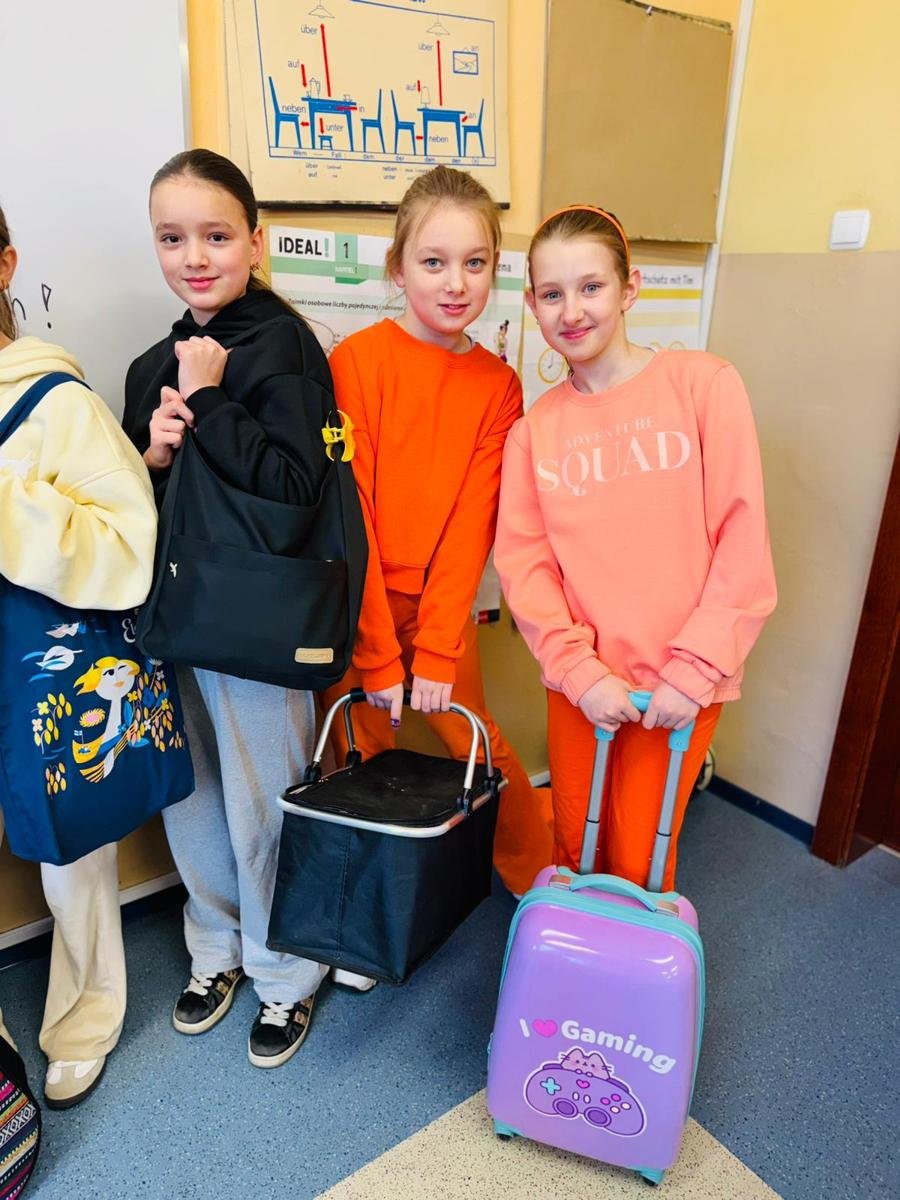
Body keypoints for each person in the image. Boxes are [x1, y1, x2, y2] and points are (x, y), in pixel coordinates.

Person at [122, 150, 333, 1068]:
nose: (195, 257)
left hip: (257, 626)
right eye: (173, 238)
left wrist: (211, 401)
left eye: (216, 235)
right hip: (173, 621)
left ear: (255, 239)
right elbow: (130, 508)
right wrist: (153, 455)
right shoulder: (150, 363)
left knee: (267, 800)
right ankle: (215, 947)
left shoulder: (286, 347)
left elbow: (294, 489)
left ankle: (287, 971)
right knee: (193, 793)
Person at [494, 205, 776, 890]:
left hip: (677, 683)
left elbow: (742, 537)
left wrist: (694, 670)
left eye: (591, 287)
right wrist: (580, 673)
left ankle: (629, 960)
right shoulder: (535, 433)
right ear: (531, 304)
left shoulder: (703, 385)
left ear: (630, 288)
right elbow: (526, 568)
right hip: (584, 685)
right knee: (575, 844)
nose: (572, 311)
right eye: (552, 294)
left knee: (639, 856)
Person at [321, 166, 554, 974]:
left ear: (495, 269)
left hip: (441, 606)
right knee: (353, 749)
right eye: (434, 261)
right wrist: (380, 654)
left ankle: (543, 881)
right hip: (357, 602)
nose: (456, 283)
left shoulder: (499, 386)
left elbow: (471, 526)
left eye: (475, 263)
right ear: (397, 268)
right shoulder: (357, 361)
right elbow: (352, 514)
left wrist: (437, 649)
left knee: (477, 744)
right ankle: (354, 916)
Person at [0, 204, 158, 1108]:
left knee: (71, 849)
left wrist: (10, 505)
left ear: (6, 264)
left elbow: (128, 544)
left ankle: (85, 1018)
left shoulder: (58, 401)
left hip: (36, 664)